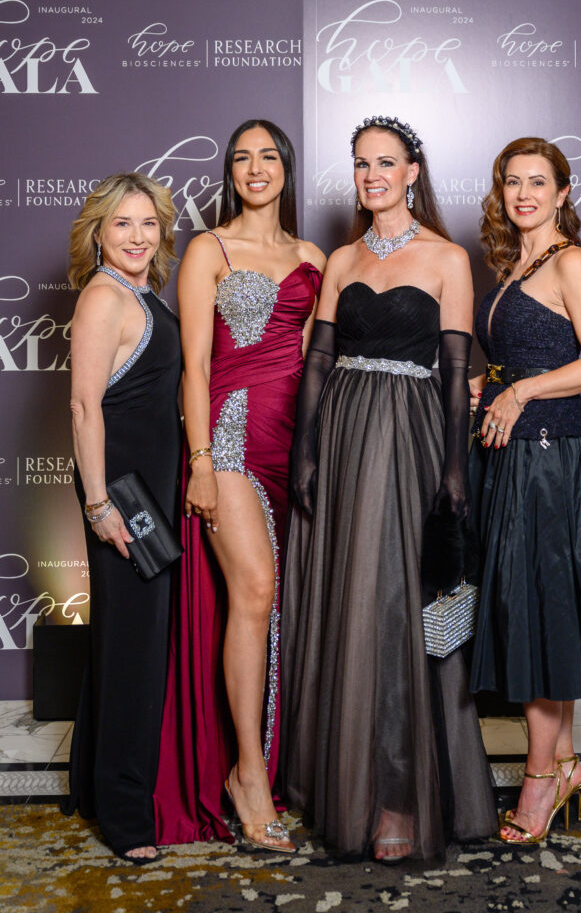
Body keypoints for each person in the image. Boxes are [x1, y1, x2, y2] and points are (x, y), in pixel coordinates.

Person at [281, 116, 498, 862]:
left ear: (413, 171)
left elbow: (454, 370)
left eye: (386, 162)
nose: (371, 174)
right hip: (342, 436)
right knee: (350, 604)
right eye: (361, 163)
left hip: (406, 442)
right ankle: (352, 790)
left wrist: (452, 466)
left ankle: (403, 796)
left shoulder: (446, 259)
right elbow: (316, 361)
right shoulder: (340, 260)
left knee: (399, 608)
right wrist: (304, 451)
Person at [468, 137, 581, 844]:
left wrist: (523, 391)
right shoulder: (514, 265)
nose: (523, 194)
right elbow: (522, 358)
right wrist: (490, 384)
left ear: (563, 192)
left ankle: (539, 778)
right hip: (517, 459)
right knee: (544, 614)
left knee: (543, 616)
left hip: (552, 459)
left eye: (537, 182)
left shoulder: (570, 261)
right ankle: (564, 762)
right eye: (512, 182)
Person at [153, 119, 325, 852]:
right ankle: (246, 776)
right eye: (240, 158)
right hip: (228, 437)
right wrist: (197, 457)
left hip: (297, 446)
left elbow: (323, 363)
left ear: (286, 168)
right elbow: (193, 364)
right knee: (253, 594)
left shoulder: (314, 256)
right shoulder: (209, 248)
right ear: (230, 172)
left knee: (280, 606)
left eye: (267, 156)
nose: (255, 168)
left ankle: (279, 764)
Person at [63, 172, 181, 864]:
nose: (138, 237)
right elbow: (84, 407)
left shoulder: (140, 293)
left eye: (148, 223)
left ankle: (92, 786)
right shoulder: (104, 296)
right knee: (135, 657)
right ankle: (128, 820)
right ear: (99, 234)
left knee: (123, 646)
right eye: (123, 225)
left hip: (145, 495)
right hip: (124, 502)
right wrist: (100, 502)